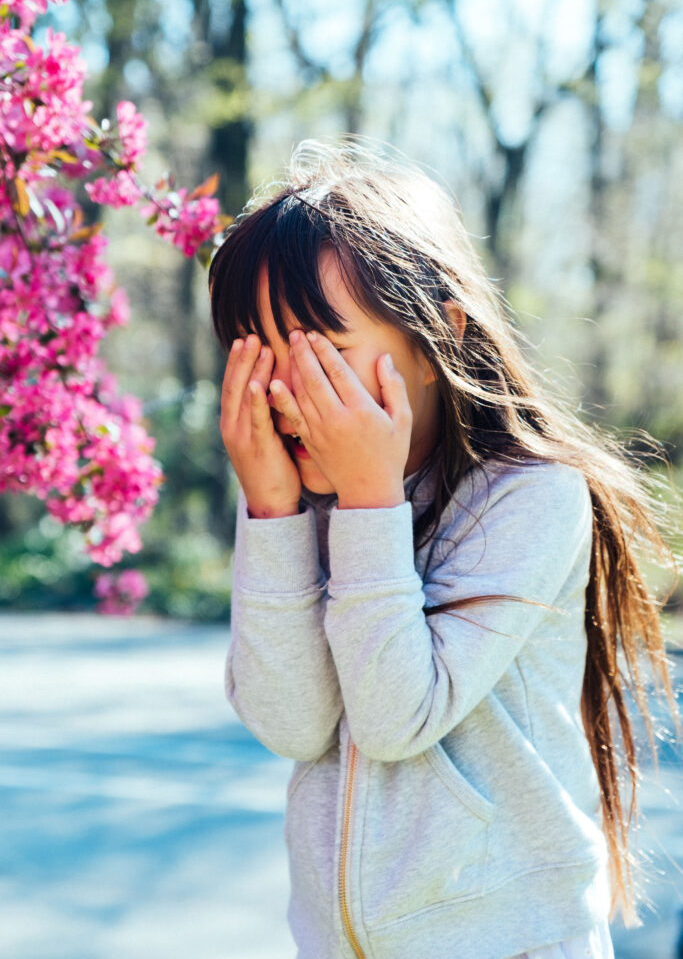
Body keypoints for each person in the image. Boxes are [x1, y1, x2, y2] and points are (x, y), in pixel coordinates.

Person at [208, 137, 679, 959]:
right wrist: (274, 510)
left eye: (321, 349)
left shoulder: (528, 496)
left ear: (436, 337)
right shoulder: (305, 503)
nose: (287, 391)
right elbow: (291, 724)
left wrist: (366, 499)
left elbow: (396, 718)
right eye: (256, 351)